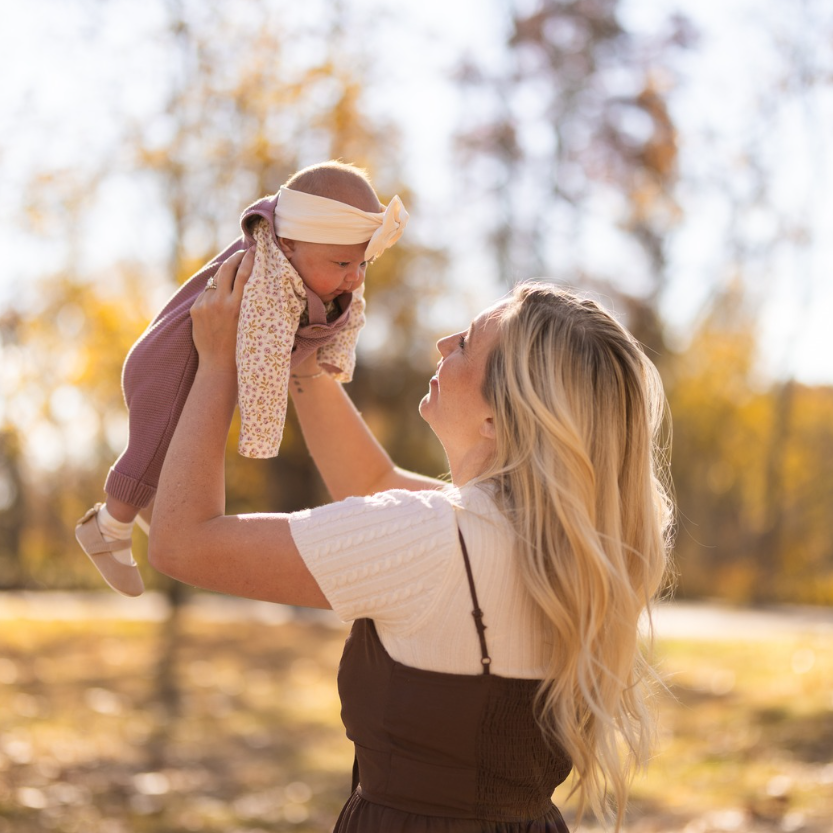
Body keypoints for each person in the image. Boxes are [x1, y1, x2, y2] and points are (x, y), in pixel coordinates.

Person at [148, 248, 674, 832]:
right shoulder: (564, 543)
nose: (446, 342)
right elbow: (372, 485)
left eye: (470, 343)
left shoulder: (429, 538)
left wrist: (218, 360)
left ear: (498, 418)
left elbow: (183, 542)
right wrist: (302, 361)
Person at [75, 160, 407, 597]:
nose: (355, 276)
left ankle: (147, 505)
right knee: (153, 442)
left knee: (179, 445)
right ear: (288, 246)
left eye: (363, 262)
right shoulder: (268, 278)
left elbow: (353, 311)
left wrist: (334, 358)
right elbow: (265, 360)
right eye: (344, 262)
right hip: (166, 364)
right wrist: (260, 435)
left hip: (198, 364)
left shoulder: (324, 263)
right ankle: (108, 525)